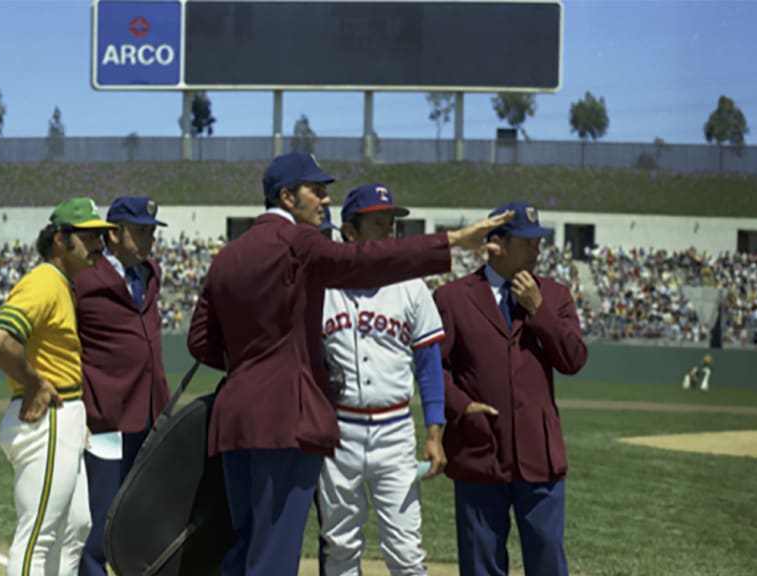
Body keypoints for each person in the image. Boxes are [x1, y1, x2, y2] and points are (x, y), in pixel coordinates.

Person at [187, 152, 513, 576]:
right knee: (274, 554)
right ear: (287, 197)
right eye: (317, 191)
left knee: (245, 544)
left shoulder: (228, 255)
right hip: (286, 418)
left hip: (234, 419)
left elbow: (200, 343)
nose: (325, 200)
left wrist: (254, 367)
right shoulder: (299, 242)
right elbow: (360, 262)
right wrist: (450, 241)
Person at [432, 201, 588, 576]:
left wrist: (539, 311)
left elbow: (573, 360)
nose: (537, 250)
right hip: (479, 449)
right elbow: (433, 368)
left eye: (539, 242)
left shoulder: (554, 296)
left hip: (540, 452)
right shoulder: (452, 299)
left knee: (548, 555)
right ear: (495, 245)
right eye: (527, 242)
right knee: (480, 560)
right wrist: (462, 406)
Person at [318, 183, 447, 576]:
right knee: (339, 548)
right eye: (378, 224)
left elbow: (428, 364)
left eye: (391, 223)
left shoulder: (411, 286)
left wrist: (434, 433)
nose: (389, 232)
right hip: (339, 431)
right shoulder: (321, 288)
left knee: (406, 551)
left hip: (394, 430)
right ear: (349, 231)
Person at [0, 197, 115, 576]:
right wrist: (34, 382)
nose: (98, 245)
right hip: (47, 421)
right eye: (88, 236)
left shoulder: (62, 283)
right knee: (38, 537)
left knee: (76, 528)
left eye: (101, 236)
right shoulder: (44, 280)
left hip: (66, 417)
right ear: (60, 238)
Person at [74, 196, 171, 576]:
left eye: (152, 230)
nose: (150, 238)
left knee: (144, 521)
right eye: (141, 230)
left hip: (151, 414)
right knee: (99, 524)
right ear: (113, 234)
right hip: (105, 418)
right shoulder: (84, 277)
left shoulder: (151, 273)